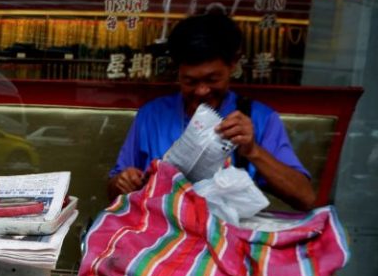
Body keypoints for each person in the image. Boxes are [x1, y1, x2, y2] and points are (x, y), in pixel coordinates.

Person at [106, 12, 316, 211]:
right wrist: (122, 182)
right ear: (177, 71)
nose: (202, 90)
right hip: (164, 235)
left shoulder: (259, 118)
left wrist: (253, 151)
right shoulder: (152, 116)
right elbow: (113, 191)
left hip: (230, 237)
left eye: (212, 80)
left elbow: (305, 199)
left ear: (233, 64)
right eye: (190, 81)